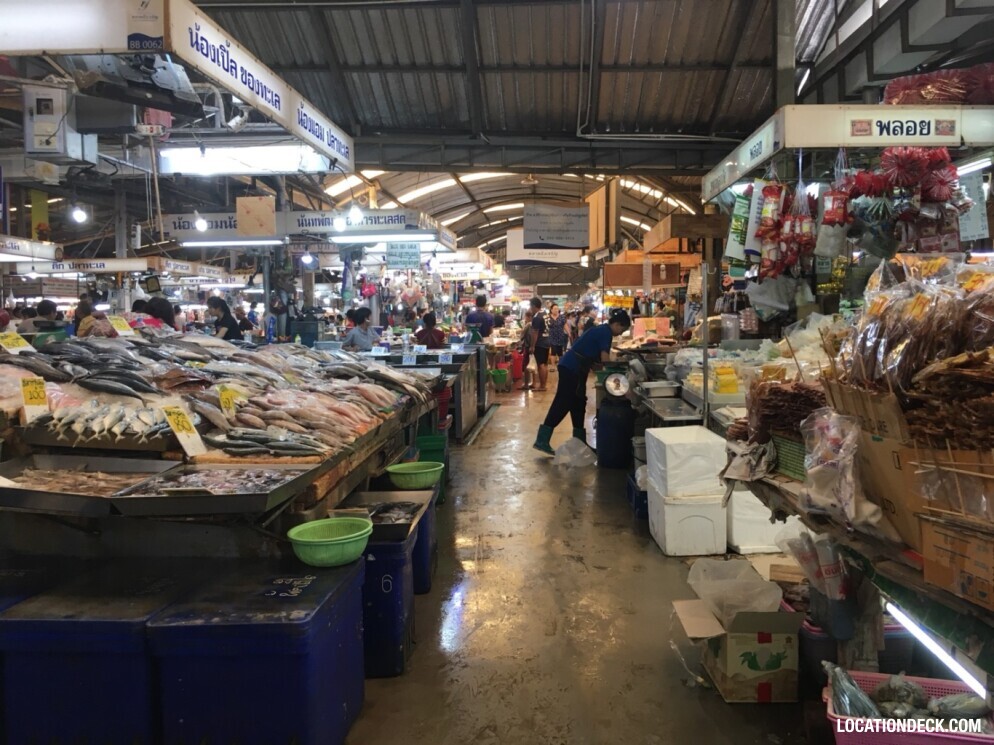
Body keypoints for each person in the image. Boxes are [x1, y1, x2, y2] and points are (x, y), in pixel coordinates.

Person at [533, 309, 632, 454]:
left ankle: (579, 442)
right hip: (572, 368)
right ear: (616, 324)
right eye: (622, 329)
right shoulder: (606, 333)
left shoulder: (601, 329)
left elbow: (592, 355)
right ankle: (542, 439)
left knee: (578, 403)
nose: (621, 333)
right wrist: (614, 371)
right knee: (563, 402)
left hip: (576, 368)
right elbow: (605, 359)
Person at [528, 297, 551, 391]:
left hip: (540, 343)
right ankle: (543, 385)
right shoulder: (545, 314)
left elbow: (535, 332)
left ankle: (542, 386)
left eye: (530, 306)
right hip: (547, 341)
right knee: (545, 364)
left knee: (541, 365)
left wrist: (532, 346)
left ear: (533, 306)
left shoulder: (537, 317)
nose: (530, 308)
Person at [518, 309, 534, 391]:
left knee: (526, 365)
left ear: (528, 317)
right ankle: (532, 383)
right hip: (531, 346)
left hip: (528, 347)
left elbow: (522, 336)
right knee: (532, 365)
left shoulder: (529, 325)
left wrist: (531, 346)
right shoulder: (534, 324)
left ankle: (526, 384)